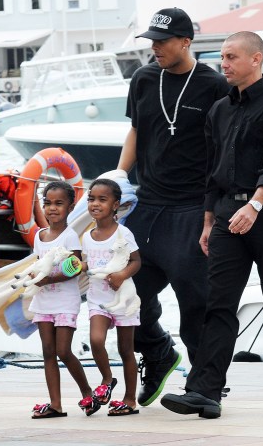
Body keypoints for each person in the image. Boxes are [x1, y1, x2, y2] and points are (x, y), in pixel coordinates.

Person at [161, 31, 263, 419]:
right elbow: (214, 173)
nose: (223, 63)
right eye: (222, 57)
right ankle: (206, 392)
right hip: (228, 215)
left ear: (256, 59)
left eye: (230, 57)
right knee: (219, 303)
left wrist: (256, 206)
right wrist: (209, 221)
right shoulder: (220, 110)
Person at [117, 7, 231, 407]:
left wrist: (213, 209)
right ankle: (159, 353)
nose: (156, 48)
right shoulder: (144, 78)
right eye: (151, 41)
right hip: (147, 206)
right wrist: (118, 177)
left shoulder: (215, 85)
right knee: (126, 296)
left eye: (162, 41)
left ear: (186, 41)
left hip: (190, 208)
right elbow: (135, 130)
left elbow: (224, 149)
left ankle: (205, 389)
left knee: (196, 304)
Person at [29, 181, 93, 419]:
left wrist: (46, 279)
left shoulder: (70, 236)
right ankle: (55, 404)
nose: (52, 208)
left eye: (59, 203)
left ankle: (87, 391)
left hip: (65, 302)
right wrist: (34, 278)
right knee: (48, 352)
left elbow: (75, 267)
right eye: (47, 203)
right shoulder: (39, 236)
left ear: (70, 207)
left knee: (63, 351)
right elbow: (38, 263)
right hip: (43, 302)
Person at [80, 178, 141, 416]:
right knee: (96, 340)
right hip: (97, 299)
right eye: (91, 199)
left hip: (123, 299)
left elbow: (136, 261)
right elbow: (89, 262)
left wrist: (121, 275)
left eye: (102, 199)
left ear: (116, 205)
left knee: (127, 350)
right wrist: (79, 265)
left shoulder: (123, 233)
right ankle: (107, 379)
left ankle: (129, 400)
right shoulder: (88, 236)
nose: (95, 204)